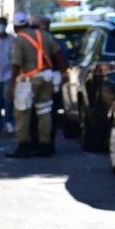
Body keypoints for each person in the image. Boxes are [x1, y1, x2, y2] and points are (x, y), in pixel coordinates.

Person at [6, 11, 56, 158]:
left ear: (15, 27)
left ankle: (24, 146)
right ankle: (45, 145)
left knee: (22, 113)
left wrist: (11, 87)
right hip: (47, 78)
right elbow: (58, 54)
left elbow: (16, 64)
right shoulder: (44, 35)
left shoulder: (19, 40)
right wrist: (61, 73)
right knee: (44, 111)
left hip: (28, 81)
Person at [30, 14, 67, 145]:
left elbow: (62, 61)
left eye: (34, 26)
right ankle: (36, 142)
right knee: (33, 114)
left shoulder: (52, 41)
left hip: (49, 81)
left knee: (48, 113)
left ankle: (46, 144)